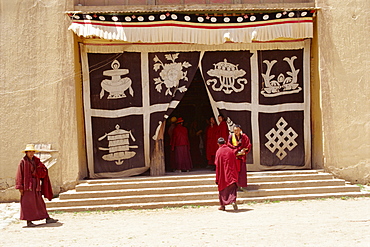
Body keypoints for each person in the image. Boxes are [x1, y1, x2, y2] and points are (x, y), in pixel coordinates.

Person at [15, 144, 58, 227]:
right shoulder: (23, 162)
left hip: (36, 185)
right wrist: (20, 186)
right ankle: (29, 221)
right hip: (27, 186)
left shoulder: (36, 161)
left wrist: (41, 170)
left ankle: (47, 218)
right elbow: (19, 174)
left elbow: (43, 169)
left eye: (32, 151)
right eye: (29, 152)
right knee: (27, 203)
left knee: (40, 202)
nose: (31, 153)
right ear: (26, 152)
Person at [215, 137, 239, 211]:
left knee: (222, 189)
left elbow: (217, 164)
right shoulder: (230, 150)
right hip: (231, 174)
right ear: (225, 142)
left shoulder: (218, 152)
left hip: (223, 175)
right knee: (232, 188)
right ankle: (233, 201)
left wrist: (217, 178)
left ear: (218, 144)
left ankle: (222, 206)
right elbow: (235, 161)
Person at [227, 125, 252, 190]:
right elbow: (229, 145)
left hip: (242, 156)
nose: (236, 132)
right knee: (233, 172)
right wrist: (236, 151)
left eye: (237, 130)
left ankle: (242, 185)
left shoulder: (244, 137)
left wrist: (244, 150)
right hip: (234, 157)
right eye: (235, 130)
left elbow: (248, 145)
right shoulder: (231, 136)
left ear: (240, 130)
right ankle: (234, 186)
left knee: (242, 172)